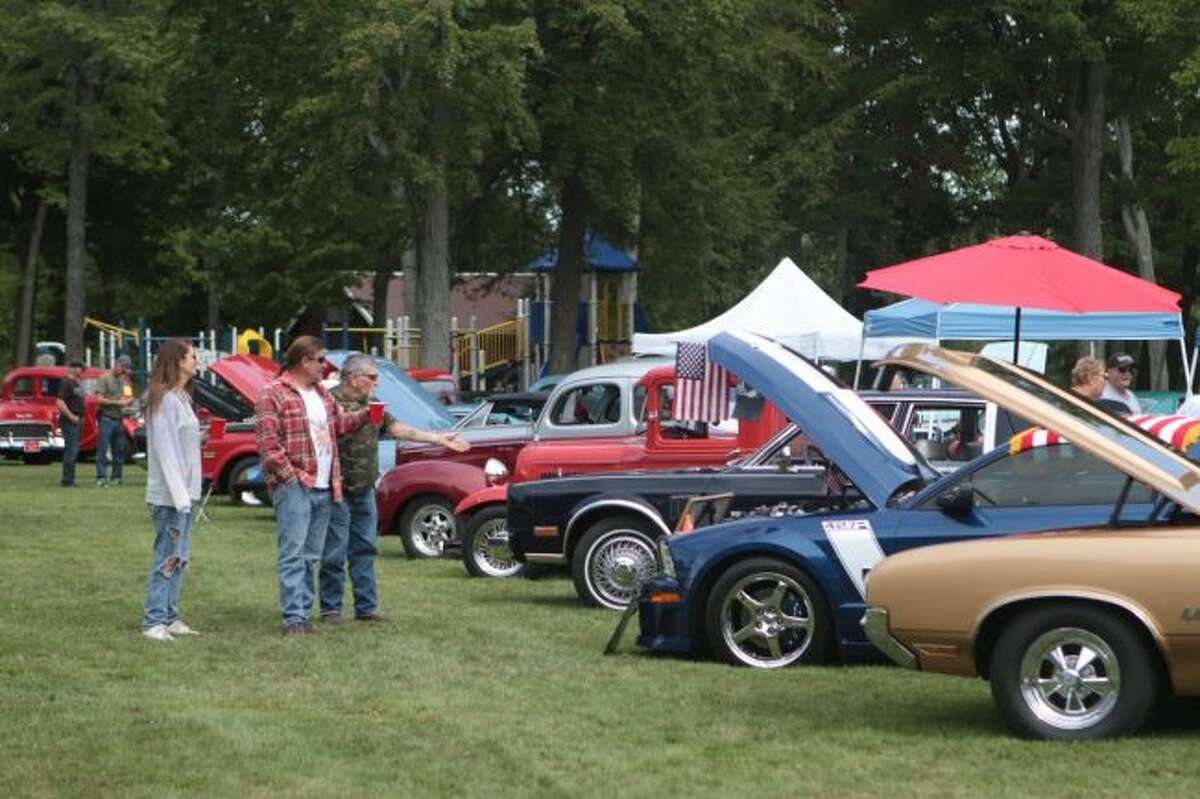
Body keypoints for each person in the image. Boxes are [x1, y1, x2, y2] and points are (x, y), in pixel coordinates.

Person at [318, 354, 470, 624]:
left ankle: (366, 607)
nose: (377, 383)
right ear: (354, 379)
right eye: (373, 378)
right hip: (337, 488)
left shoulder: (373, 404)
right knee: (335, 551)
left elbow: (397, 428)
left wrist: (438, 438)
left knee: (365, 548)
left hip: (365, 489)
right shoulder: (328, 401)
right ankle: (331, 609)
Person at [255, 336, 372, 635]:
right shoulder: (273, 393)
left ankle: (303, 616)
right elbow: (269, 444)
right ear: (304, 360)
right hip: (295, 485)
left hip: (324, 485)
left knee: (311, 556)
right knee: (293, 554)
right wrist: (291, 478)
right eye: (320, 360)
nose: (325, 366)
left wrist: (368, 415)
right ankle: (293, 618)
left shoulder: (322, 393)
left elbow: (341, 425)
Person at [140, 339, 203, 642]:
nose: (196, 361)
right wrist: (180, 498)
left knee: (180, 557)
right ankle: (153, 621)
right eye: (192, 356)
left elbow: (183, 442)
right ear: (177, 361)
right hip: (169, 497)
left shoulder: (181, 399)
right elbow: (165, 452)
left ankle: (170, 615)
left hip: (185, 495)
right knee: (167, 556)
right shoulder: (163, 400)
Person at [95, 353, 134, 486]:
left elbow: (129, 396)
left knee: (119, 450)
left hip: (119, 420)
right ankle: (101, 477)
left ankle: (117, 477)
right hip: (106, 419)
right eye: (123, 369)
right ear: (117, 365)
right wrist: (118, 403)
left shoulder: (124, 380)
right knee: (103, 450)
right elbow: (99, 399)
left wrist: (128, 400)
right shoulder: (104, 378)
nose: (124, 373)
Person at [55, 360, 87, 487]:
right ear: (74, 368)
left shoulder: (75, 383)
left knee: (74, 450)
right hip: (70, 421)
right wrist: (72, 416)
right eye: (81, 369)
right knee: (71, 450)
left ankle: (71, 479)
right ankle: (67, 481)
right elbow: (60, 402)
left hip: (78, 420)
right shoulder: (66, 383)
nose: (82, 371)